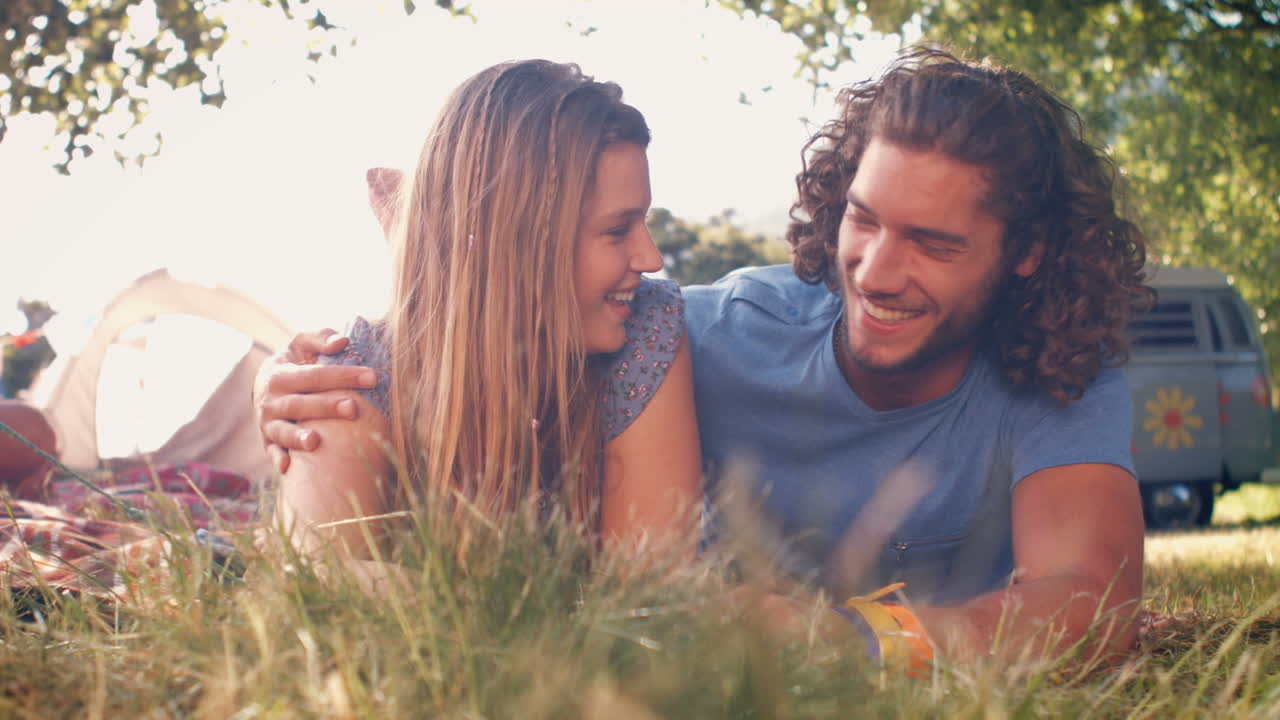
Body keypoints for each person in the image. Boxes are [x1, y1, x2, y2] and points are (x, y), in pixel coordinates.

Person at [258, 48, 1152, 661]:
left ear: (1026, 252)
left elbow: (1088, 597)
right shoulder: (693, 329)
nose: (875, 271)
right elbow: (477, 300)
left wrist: (863, 643)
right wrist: (287, 382)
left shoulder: (1057, 365)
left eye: (934, 243)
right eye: (864, 219)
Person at [265, 59, 702, 579]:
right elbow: (310, 586)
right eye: (617, 230)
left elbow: (650, 594)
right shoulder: (352, 376)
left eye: (643, 222)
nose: (651, 258)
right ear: (509, 244)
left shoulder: (645, 331)